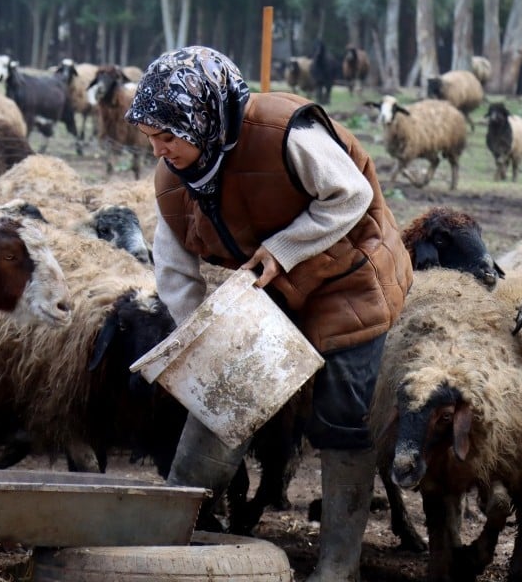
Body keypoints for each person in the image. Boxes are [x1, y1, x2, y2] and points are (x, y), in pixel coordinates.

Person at [125, 46, 412, 582]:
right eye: (150, 138)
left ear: (205, 117)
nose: (159, 151)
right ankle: (169, 536)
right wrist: (204, 339)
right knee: (222, 395)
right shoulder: (175, 177)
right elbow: (174, 266)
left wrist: (284, 248)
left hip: (349, 270)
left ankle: (338, 565)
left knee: (342, 409)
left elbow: (350, 194)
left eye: (167, 136)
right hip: (270, 283)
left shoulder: (284, 133)